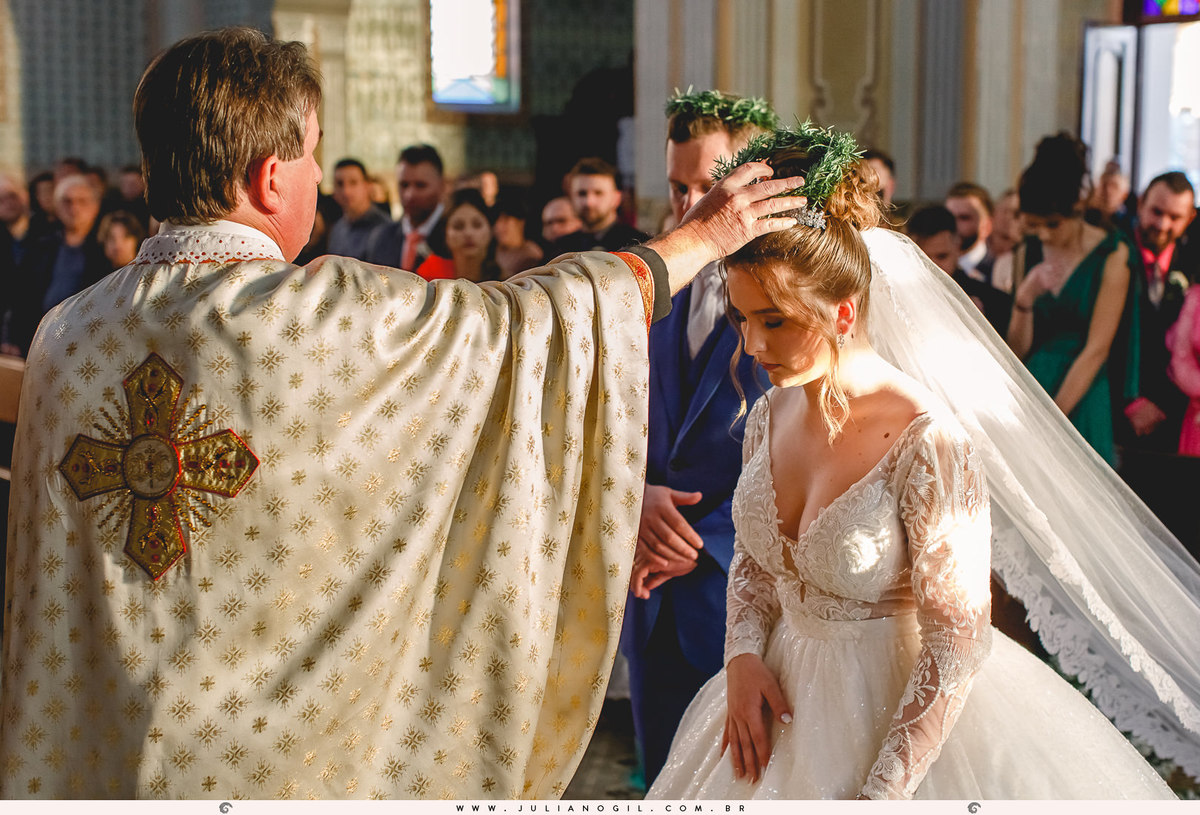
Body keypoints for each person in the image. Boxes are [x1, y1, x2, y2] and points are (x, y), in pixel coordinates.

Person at [0, 27, 805, 800]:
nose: (319, 174)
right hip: (284, 773)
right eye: (313, 152)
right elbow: (537, 321)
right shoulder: (334, 316)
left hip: (98, 762)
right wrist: (706, 234)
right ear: (271, 177)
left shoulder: (67, 336)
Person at [648, 122, 1200, 800]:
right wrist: (741, 655)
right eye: (741, 319)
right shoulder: (766, 415)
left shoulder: (929, 441)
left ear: (842, 313)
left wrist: (882, 792)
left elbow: (956, 642)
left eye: (775, 321)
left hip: (903, 726)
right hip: (776, 702)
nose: (752, 346)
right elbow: (757, 561)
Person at [621, 89, 777, 788]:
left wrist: (705, 540)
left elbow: (803, 450)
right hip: (648, 591)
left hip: (737, 598)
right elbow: (609, 414)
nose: (689, 208)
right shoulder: (643, 284)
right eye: (677, 187)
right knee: (663, 781)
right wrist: (634, 497)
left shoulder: (787, 300)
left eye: (707, 188)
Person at [1006, 134, 1132, 466]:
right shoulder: (1029, 250)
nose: (1045, 234)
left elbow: (1097, 350)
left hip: (1082, 391)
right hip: (1033, 384)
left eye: (1053, 224)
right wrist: (1024, 299)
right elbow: (1016, 350)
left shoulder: (1112, 254)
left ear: (1076, 207)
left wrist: (1055, 419)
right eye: (1035, 225)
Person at [7, 174, 109, 356]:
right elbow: (20, 297)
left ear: (95, 206)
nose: (74, 208)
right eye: (67, 201)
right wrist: (13, 338)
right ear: (56, 206)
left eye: (82, 201)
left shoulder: (104, 251)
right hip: (39, 343)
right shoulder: (39, 247)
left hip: (86, 345)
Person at [905, 204, 1010, 334]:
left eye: (942, 256)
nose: (933, 266)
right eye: (923, 258)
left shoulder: (994, 302)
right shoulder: (895, 297)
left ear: (957, 246)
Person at [365, 143, 450, 270]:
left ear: (442, 186)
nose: (409, 195)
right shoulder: (381, 238)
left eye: (420, 185)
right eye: (404, 185)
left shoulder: (455, 238)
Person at [548, 158, 648, 254]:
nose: (589, 202)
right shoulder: (561, 248)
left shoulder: (639, 245)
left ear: (616, 198)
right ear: (571, 197)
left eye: (598, 193)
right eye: (582, 193)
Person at [414, 188, 502, 282]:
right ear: (445, 233)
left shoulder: (505, 280)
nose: (468, 233)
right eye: (458, 227)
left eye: (477, 225)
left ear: (490, 231)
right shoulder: (428, 276)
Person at [327, 157, 390, 261]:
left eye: (353, 183)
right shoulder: (337, 229)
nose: (346, 191)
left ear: (367, 186)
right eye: (339, 184)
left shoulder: (385, 230)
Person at [944, 181, 994, 283]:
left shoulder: (999, 270)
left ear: (987, 226)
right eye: (949, 217)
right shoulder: (932, 267)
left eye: (964, 218)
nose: (954, 224)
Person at [493, 194, 543, 279]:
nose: (498, 226)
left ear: (520, 222)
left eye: (505, 219)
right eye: (495, 221)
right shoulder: (490, 251)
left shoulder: (531, 256)